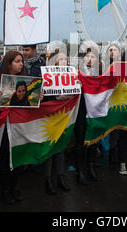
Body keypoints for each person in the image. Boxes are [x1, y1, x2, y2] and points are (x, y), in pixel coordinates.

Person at [0, 50, 27, 204]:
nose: (21, 64)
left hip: (19, 126)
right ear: (9, 63)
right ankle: (5, 189)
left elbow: (31, 106)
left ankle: (15, 186)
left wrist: (38, 98)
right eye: (17, 61)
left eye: (22, 61)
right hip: (4, 127)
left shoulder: (28, 82)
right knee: (4, 158)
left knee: (17, 156)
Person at [42, 50, 72, 195]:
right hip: (50, 117)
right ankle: (47, 179)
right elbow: (50, 97)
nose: (64, 62)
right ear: (54, 62)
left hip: (63, 117)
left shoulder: (71, 77)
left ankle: (60, 177)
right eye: (61, 60)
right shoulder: (47, 77)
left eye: (66, 59)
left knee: (60, 147)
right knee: (50, 148)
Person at [74, 41, 102, 184]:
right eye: (88, 56)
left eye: (93, 56)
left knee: (94, 141)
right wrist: (76, 85)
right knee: (80, 142)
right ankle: (80, 170)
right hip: (81, 111)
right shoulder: (76, 73)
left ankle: (91, 166)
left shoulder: (102, 73)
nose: (90, 59)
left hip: (96, 112)